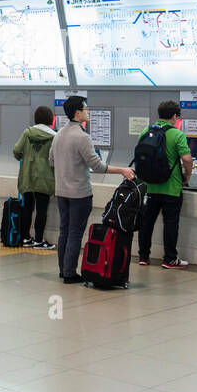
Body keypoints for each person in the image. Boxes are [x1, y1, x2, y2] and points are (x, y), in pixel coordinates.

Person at [51, 96, 134, 284]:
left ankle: (63, 270)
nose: (88, 112)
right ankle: (70, 273)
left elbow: (52, 161)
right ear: (77, 113)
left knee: (64, 231)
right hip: (79, 193)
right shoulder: (82, 137)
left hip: (61, 191)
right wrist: (121, 170)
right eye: (85, 109)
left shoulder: (59, 135)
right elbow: (97, 166)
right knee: (74, 233)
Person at [136, 100, 193, 269]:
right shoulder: (177, 135)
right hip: (171, 187)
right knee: (170, 223)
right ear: (175, 116)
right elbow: (187, 159)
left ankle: (143, 257)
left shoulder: (145, 131)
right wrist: (187, 176)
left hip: (149, 186)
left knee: (146, 223)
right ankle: (169, 259)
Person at [12, 105, 56, 250]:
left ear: (36, 118)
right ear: (51, 119)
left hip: (27, 177)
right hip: (45, 178)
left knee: (28, 208)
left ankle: (26, 238)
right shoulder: (54, 136)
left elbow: (16, 150)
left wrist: (24, 158)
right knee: (42, 210)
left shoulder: (27, 132)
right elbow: (55, 159)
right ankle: (38, 240)